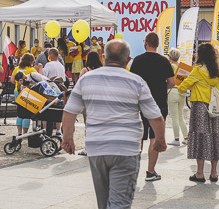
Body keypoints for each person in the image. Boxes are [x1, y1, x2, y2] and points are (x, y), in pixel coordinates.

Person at [62, 39, 166, 209]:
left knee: (103, 204)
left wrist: (68, 138)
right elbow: (155, 116)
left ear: (104, 57)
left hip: (97, 149)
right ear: (127, 60)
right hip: (125, 149)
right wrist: (160, 140)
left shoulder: (86, 79)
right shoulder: (136, 82)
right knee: (119, 204)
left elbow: (70, 111)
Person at [130, 32, 175, 181]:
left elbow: (132, 82)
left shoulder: (137, 60)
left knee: (138, 139)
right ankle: (150, 171)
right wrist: (164, 89)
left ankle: (133, 173)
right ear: (157, 44)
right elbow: (172, 82)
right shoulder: (164, 61)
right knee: (154, 138)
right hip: (159, 103)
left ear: (146, 43)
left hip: (140, 104)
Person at [178, 43, 219, 182]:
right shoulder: (216, 71)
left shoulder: (197, 70)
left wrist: (187, 84)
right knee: (214, 137)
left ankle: (199, 173)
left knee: (200, 137)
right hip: (213, 108)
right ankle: (214, 173)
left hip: (199, 106)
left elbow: (182, 87)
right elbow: (218, 87)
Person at [166, 48, 188, 146]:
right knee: (181, 116)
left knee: (174, 117)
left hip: (173, 91)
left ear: (170, 57)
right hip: (182, 92)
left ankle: (176, 139)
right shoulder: (181, 67)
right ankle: (186, 137)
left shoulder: (171, 66)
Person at [11, 53, 37, 134]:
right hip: (27, 92)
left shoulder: (17, 69)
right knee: (26, 114)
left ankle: (19, 132)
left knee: (19, 113)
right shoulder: (32, 70)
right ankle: (25, 132)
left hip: (17, 91)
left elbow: (12, 80)